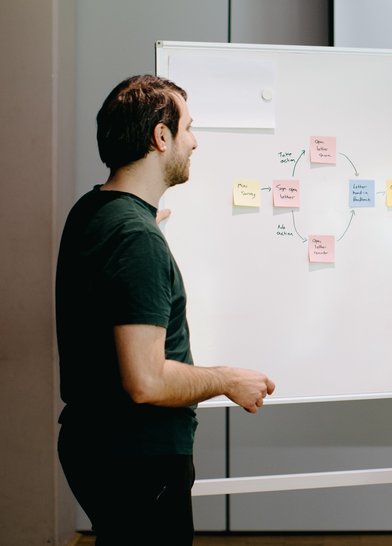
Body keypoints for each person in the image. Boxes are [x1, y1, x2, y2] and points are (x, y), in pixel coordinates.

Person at [56, 74, 276, 545]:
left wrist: (145, 226)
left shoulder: (94, 211)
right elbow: (146, 380)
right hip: (138, 460)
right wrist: (228, 380)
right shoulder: (136, 239)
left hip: (96, 447)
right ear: (161, 136)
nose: (194, 142)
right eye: (189, 128)